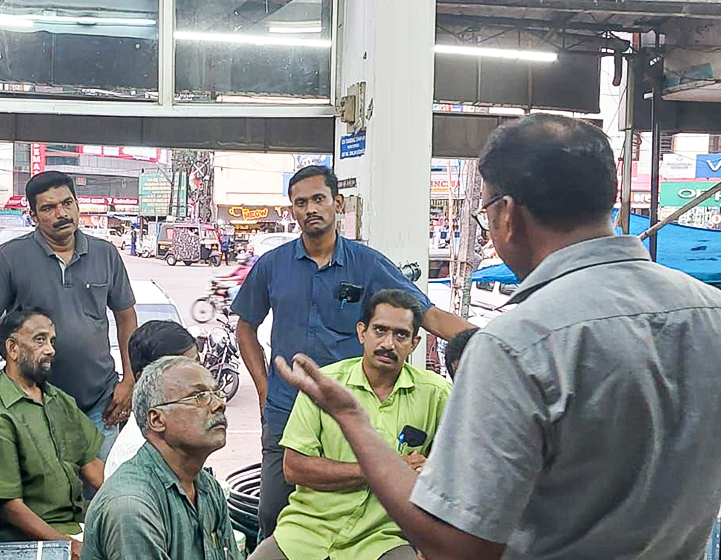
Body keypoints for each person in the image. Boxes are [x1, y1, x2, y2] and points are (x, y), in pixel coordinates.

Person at [273, 114, 721, 560]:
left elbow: (455, 546)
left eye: (485, 211)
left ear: (506, 214)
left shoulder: (517, 345)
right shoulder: (710, 313)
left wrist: (351, 418)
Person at [231, 165, 472, 537]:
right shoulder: (272, 265)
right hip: (285, 407)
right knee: (273, 513)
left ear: (336, 203)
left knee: (353, 509)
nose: (310, 208)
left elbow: (429, 315)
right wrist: (263, 389)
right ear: (291, 211)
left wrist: (494, 343)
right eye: (300, 203)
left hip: (346, 410)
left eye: (318, 199)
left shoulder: (368, 264)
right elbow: (245, 326)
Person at [0, 171, 138, 462]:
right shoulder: (11, 257)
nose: (61, 213)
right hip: (32, 404)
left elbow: (126, 318)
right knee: (44, 495)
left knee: (99, 493)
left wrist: (129, 379)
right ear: (34, 215)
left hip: (99, 404)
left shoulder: (106, 254)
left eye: (67, 203)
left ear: (77, 205)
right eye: (48, 208)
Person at [250, 289, 453, 560]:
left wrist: (430, 471)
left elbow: (456, 472)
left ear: (414, 343)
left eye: (400, 335)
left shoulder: (436, 393)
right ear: (361, 333)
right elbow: (294, 468)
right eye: (379, 330)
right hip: (308, 530)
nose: (388, 343)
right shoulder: (325, 385)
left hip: (384, 537)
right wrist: (383, 470)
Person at [83, 356, 238, 560]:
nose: (219, 404)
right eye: (199, 396)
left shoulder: (206, 487)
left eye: (216, 393)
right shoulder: (131, 507)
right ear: (157, 420)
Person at [0, 308, 104, 558]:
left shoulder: (59, 400)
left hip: (75, 524)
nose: (50, 349)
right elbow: (9, 507)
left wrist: (128, 501)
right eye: (39, 340)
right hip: (28, 540)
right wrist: (66, 545)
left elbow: (92, 467)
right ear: (12, 348)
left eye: (51, 341)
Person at [104, 320, 199, 479]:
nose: (199, 378)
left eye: (198, 364)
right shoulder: (136, 456)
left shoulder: (176, 430)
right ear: (145, 380)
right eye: (184, 372)